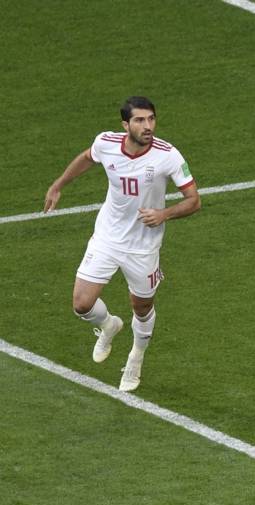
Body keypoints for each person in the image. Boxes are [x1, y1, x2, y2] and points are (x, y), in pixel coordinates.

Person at [43, 96, 201, 391]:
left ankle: (136, 357)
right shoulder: (106, 143)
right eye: (140, 120)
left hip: (143, 246)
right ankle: (109, 325)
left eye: (151, 119)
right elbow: (87, 158)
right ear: (125, 125)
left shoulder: (168, 155)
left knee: (141, 307)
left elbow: (194, 201)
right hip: (107, 237)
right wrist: (58, 185)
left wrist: (163, 214)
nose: (148, 126)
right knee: (82, 304)